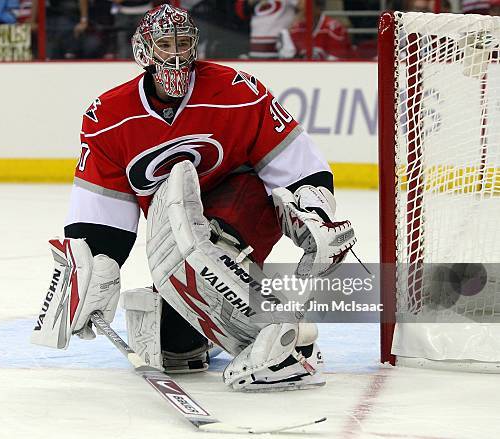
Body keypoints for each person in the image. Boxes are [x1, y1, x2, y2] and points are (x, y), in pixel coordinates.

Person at [31, 4, 356, 392]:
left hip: (240, 210)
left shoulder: (237, 91)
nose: (176, 54)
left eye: (183, 43)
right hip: (173, 237)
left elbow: (294, 161)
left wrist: (315, 208)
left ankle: (282, 340)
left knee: (210, 237)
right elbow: (104, 211)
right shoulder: (109, 118)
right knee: (175, 347)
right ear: (144, 50)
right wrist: (98, 266)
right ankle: (269, 331)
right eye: (165, 44)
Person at [280, 0, 352, 60]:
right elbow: (289, 61)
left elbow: (337, 63)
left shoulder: (335, 29)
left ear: (317, 8)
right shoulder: (294, 30)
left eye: (306, 8)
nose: (302, 13)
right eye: (299, 11)